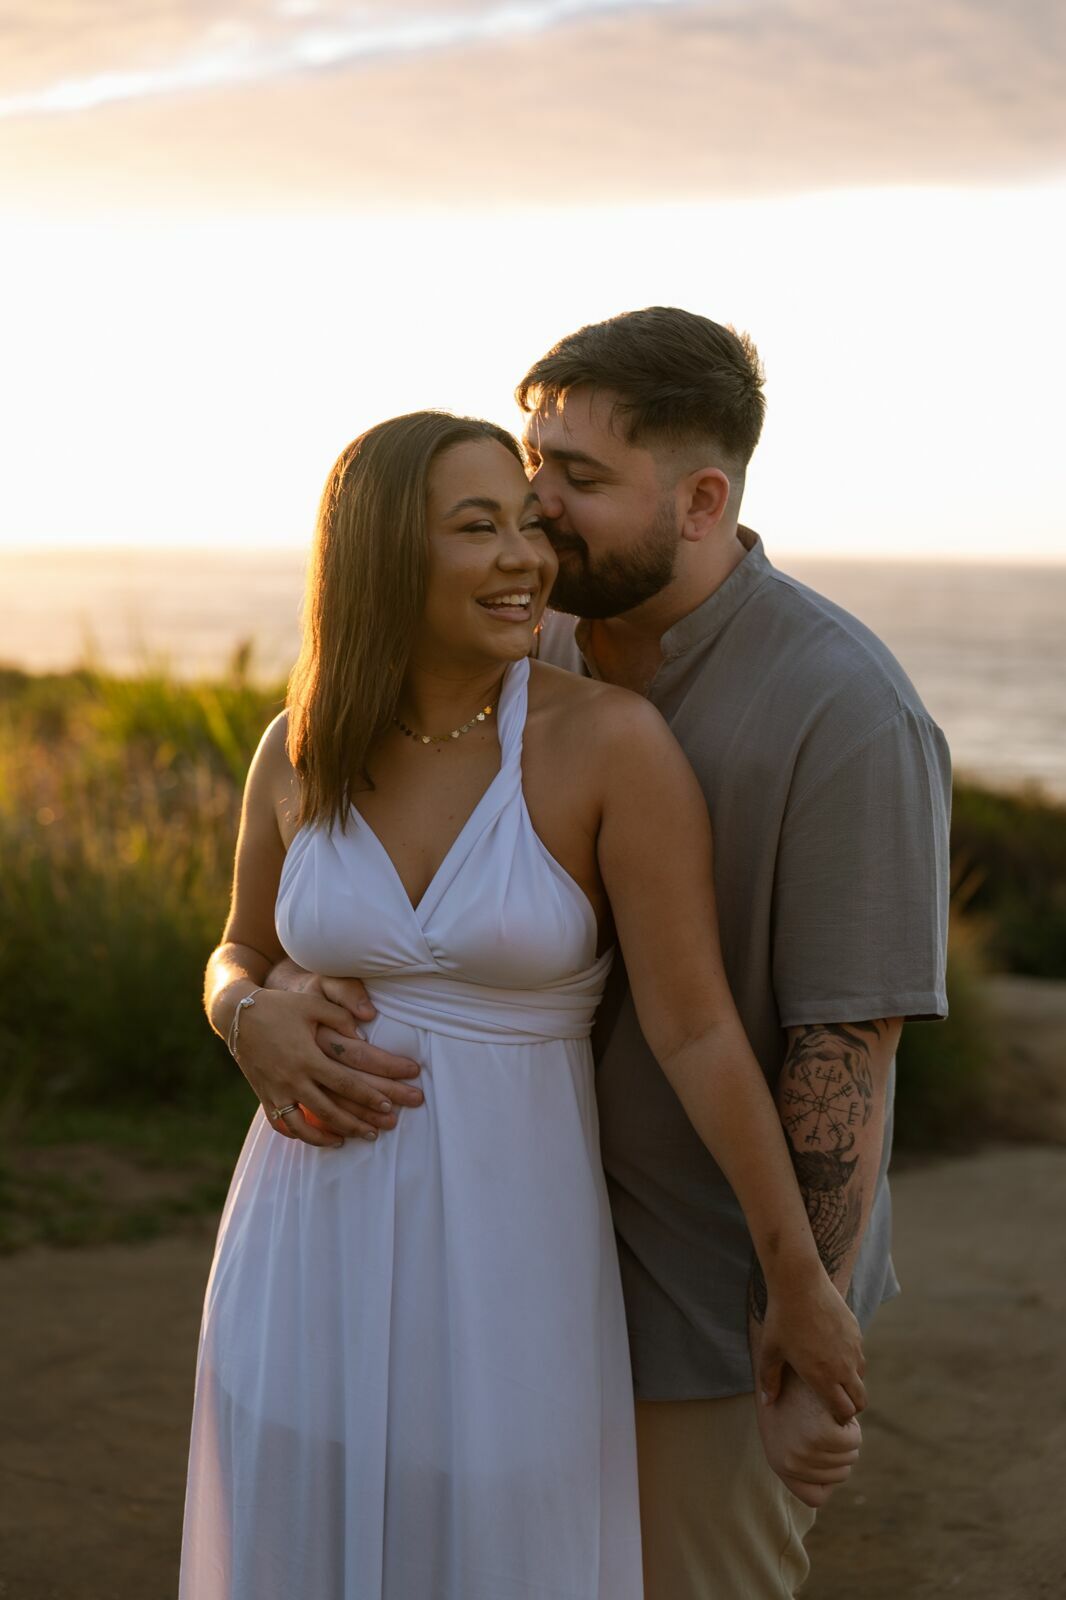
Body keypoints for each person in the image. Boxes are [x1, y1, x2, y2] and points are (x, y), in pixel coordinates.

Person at [266, 312, 952, 1600]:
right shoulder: (534, 646)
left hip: (704, 1305)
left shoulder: (844, 708)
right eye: (534, 469)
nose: (539, 511)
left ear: (702, 499)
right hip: (505, 1259)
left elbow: (844, 1049)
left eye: (578, 481)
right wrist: (269, 993)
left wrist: (797, 1323)